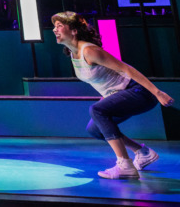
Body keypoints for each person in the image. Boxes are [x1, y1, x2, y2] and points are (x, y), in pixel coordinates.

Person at [52, 11, 173, 179]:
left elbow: (127, 69)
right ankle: (142, 151)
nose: (54, 30)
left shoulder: (90, 51)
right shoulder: (73, 54)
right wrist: (107, 97)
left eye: (59, 26)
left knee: (97, 110)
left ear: (74, 30)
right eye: (54, 26)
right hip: (123, 94)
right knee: (94, 129)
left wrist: (158, 93)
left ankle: (124, 164)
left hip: (137, 91)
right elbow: (104, 81)